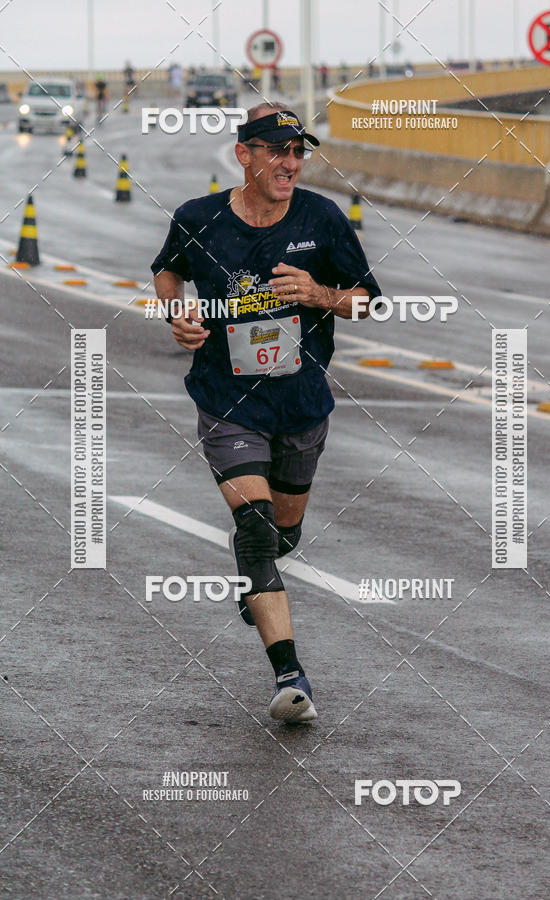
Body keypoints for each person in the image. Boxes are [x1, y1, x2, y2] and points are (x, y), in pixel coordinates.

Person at [151, 103, 380, 723]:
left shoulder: (322, 219)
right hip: (227, 399)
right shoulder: (199, 218)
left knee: (282, 532)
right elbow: (168, 272)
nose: (290, 163)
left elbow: (369, 304)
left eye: (299, 152)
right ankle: (289, 675)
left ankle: (262, 578)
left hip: (302, 402)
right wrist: (176, 314)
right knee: (254, 531)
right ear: (244, 154)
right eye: (277, 151)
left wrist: (320, 294)